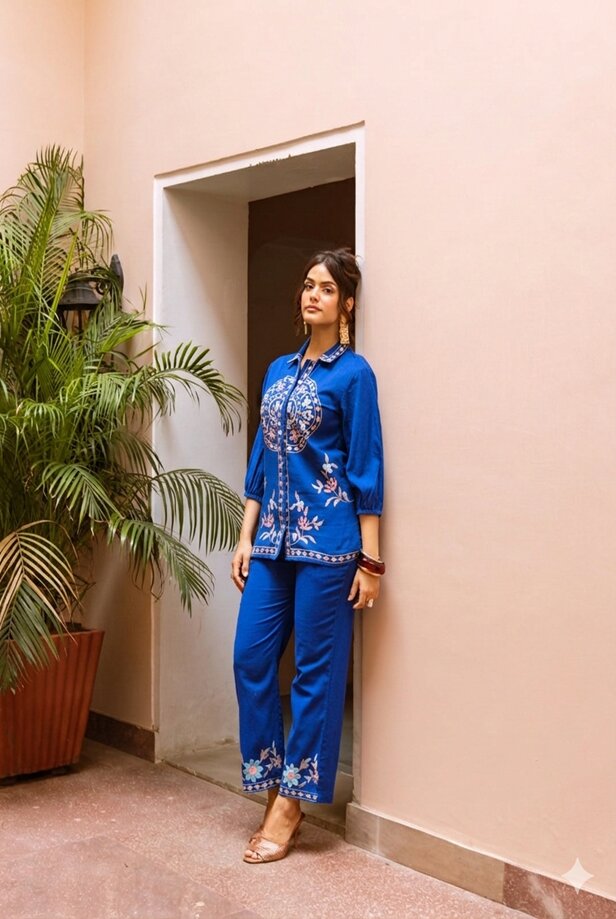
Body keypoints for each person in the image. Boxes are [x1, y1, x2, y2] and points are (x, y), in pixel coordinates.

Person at [231, 247, 385, 864]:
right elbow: (261, 461)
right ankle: (271, 777)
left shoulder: (355, 376)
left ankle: (292, 805)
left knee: (314, 675)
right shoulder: (276, 371)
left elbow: (366, 466)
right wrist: (245, 534)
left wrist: (371, 562)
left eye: (325, 288)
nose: (312, 294)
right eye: (307, 285)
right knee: (250, 657)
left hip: (330, 546)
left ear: (346, 303)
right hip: (270, 541)